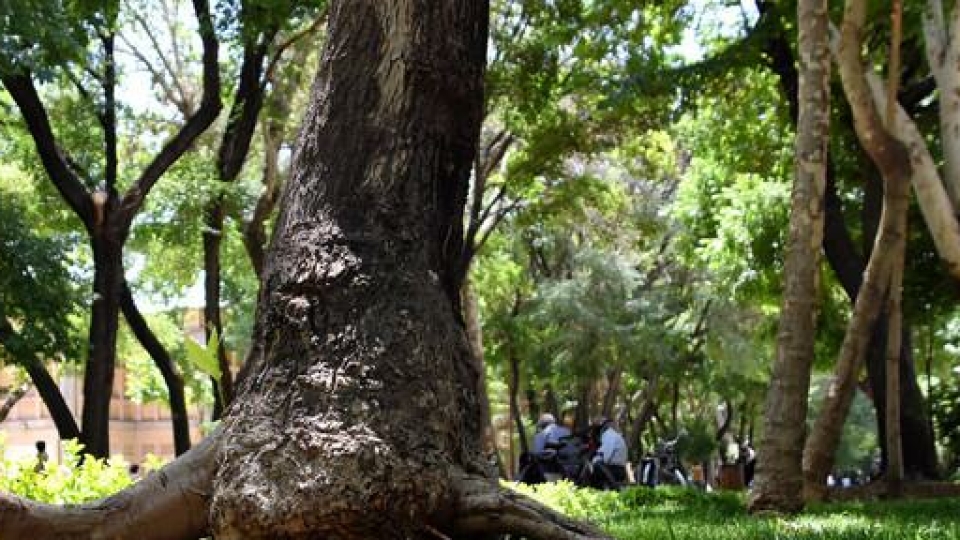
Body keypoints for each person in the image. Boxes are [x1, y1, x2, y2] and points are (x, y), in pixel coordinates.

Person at [589, 416, 627, 489]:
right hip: (616, 469)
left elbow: (604, 458)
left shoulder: (609, 436)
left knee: (596, 466)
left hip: (615, 470)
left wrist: (592, 460)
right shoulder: (611, 435)